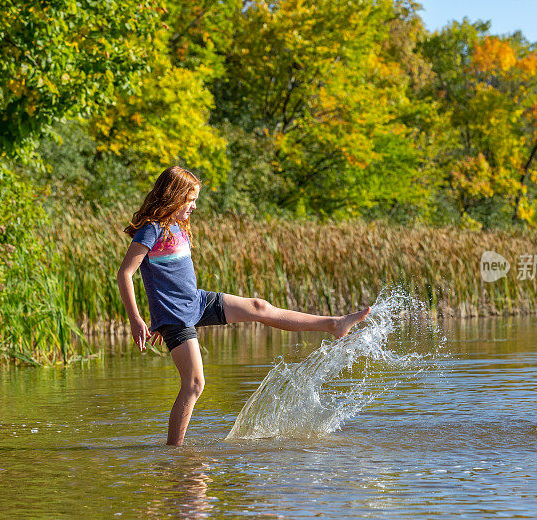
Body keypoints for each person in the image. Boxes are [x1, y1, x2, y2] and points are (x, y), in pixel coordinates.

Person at [117, 166, 371, 445]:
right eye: (190, 199)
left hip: (197, 301)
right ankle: (174, 453)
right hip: (175, 316)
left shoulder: (177, 226)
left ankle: (334, 324)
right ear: (173, 196)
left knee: (259, 306)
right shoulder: (151, 230)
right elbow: (125, 273)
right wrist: (138, 319)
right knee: (194, 384)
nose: (194, 205)